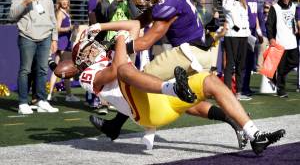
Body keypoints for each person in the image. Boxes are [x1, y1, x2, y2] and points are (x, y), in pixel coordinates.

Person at [88, 0, 248, 149]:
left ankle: (124, 126)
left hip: (188, 53)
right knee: (183, 101)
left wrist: (115, 46)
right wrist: (131, 26)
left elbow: (147, 41)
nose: (147, 4)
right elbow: (146, 17)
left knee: (142, 81)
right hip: (193, 50)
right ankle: (236, 121)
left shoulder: (167, 6)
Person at [72, 27, 285, 155]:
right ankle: (173, 87)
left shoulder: (109, 54)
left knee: (210, 82)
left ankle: (255, 135)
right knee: (125, 71)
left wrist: (104, 26)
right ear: (83, 58)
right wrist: (119, 38)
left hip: (160, 103)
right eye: (89, 48)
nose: (95, 47)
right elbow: (117, 70)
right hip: (145, 112)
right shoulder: (86, 75)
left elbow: (134, 24)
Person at [9, 0, 59, 114]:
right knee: (25, 70)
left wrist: (54, 38)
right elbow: (11, 16)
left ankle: (41, 100)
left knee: (43, 70)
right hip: (27, 36)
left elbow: (52, 18)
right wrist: (25, 2)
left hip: (45, 36)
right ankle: (23, 103)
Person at [266, 0, 299, 98]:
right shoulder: (275, 8)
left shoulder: (294, 7)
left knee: (295, 62)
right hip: (280, 42)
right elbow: (269, 25)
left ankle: (276, 77)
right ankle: (281, 90)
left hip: (292, 41)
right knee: (282, 66)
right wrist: (271, 38)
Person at [47, 0, 80, 102]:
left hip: (65, 42)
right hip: (62, 43)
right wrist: (69, 28)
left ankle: (50, 94)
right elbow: (57, 28)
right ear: (59, 2)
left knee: (57, 69)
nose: (65, 1)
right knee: (66, 69)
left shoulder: (66, 12)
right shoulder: (60, 13)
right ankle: (69, 95)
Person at [222, 0, 251, 101]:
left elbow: (246, 20)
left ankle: (238, 91)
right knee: (230, 64)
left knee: (241, 64)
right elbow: (228, 9)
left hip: (243, 36)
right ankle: (227, 91)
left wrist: (247, 33)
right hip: (232, 36)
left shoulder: (244, 3)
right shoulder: (226, 1)